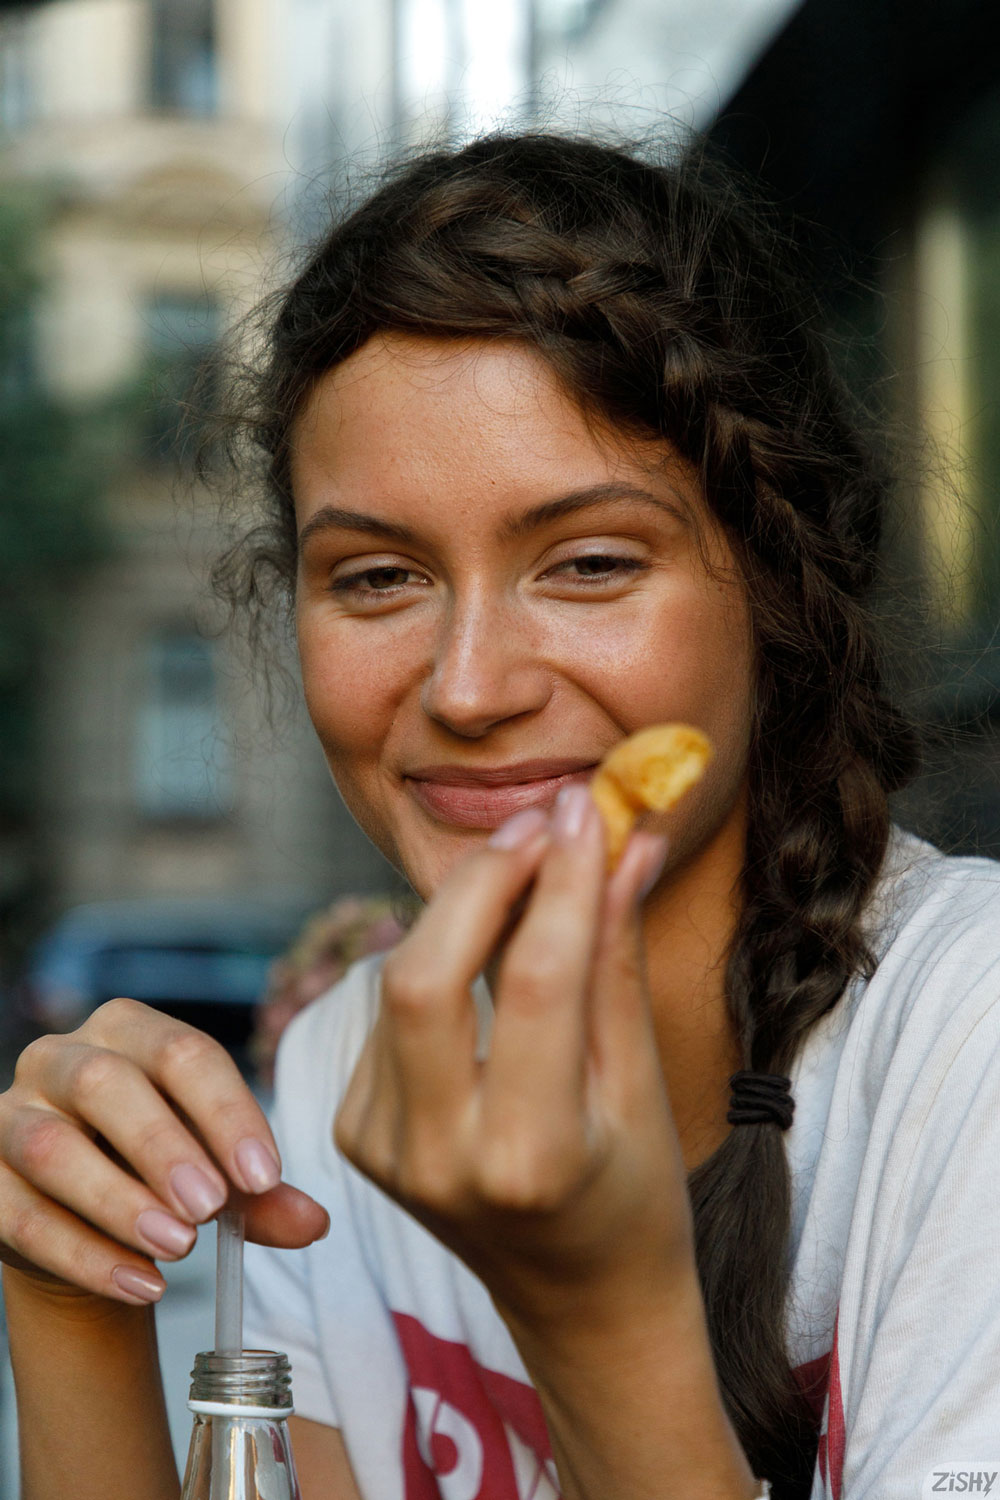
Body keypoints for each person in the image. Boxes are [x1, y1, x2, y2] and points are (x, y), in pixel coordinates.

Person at [1, 130, 999, 1500]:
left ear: (778, 588)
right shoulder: (352, 1061)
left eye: (588, 563)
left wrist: (595, 1320)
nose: (467, 687)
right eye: (376, 580)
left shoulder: (969, 1045)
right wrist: (67, 1298)